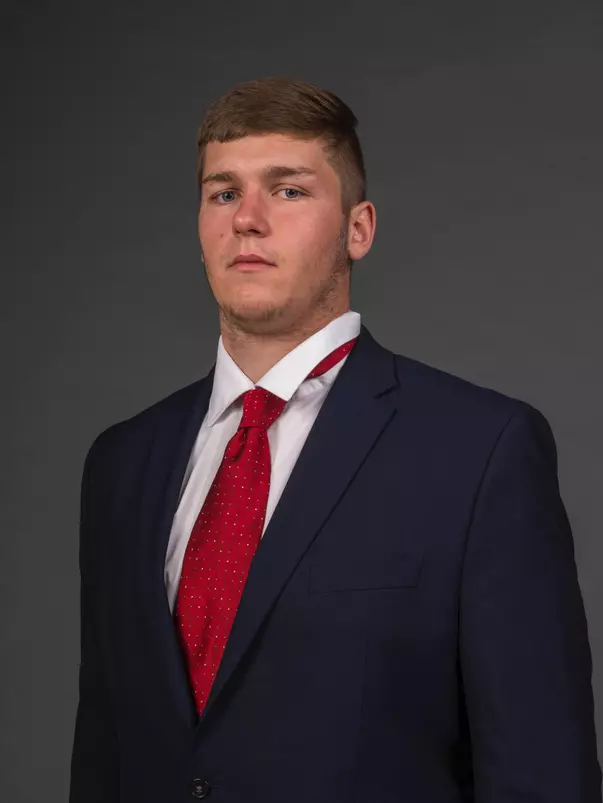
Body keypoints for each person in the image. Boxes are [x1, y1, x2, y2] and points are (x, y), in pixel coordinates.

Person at [69, 76, 601, 803]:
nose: (247, 219)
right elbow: (103, 755)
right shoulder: (122, 463)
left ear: (359, 229)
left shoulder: (481, 451)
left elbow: (542, 774)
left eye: (288, 190)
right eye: (223, 193)